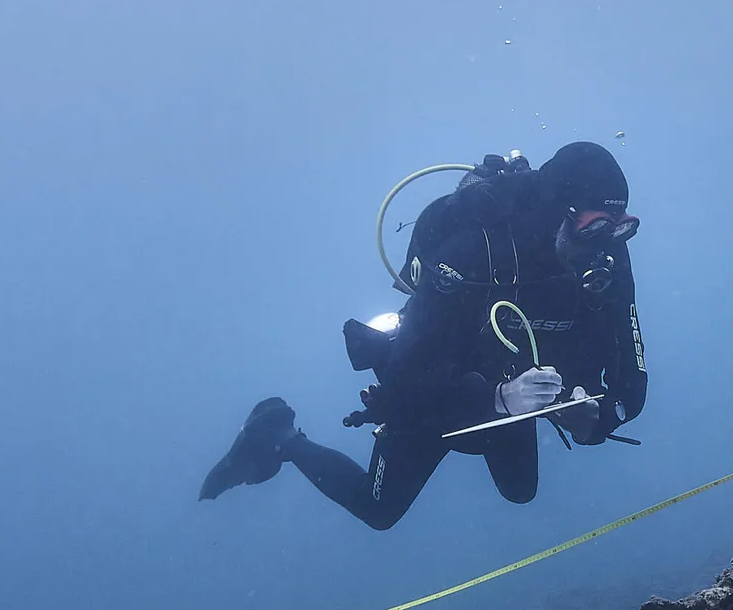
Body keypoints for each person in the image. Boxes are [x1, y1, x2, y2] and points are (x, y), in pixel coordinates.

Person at [199, 141, 647, 530]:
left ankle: (497, 411)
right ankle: (283, 437)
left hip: (513, 390)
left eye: (619, 228)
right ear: (556, 213)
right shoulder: (473, 252)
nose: (606, 247)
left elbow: (632, 388)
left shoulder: (608, 263)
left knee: (520, 491)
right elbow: (405, 376)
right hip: (437, 391)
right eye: (595, 230)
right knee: (379, 510)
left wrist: (597, 416)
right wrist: (498, 399)